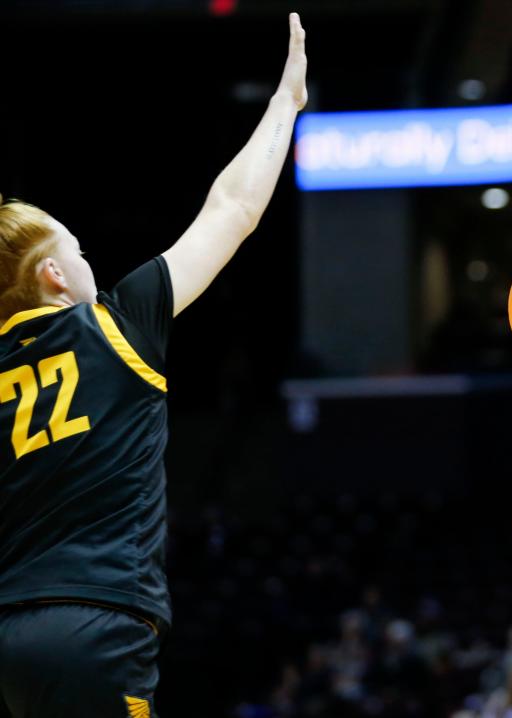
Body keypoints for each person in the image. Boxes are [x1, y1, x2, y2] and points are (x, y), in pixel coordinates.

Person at [0, 13, 307, 717]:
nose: (88, 261)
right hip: (97, 622)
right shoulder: (115, 324)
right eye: (76, 249)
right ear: (52, 274)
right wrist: (283, 105)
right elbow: (231, 209)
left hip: (10, 632)